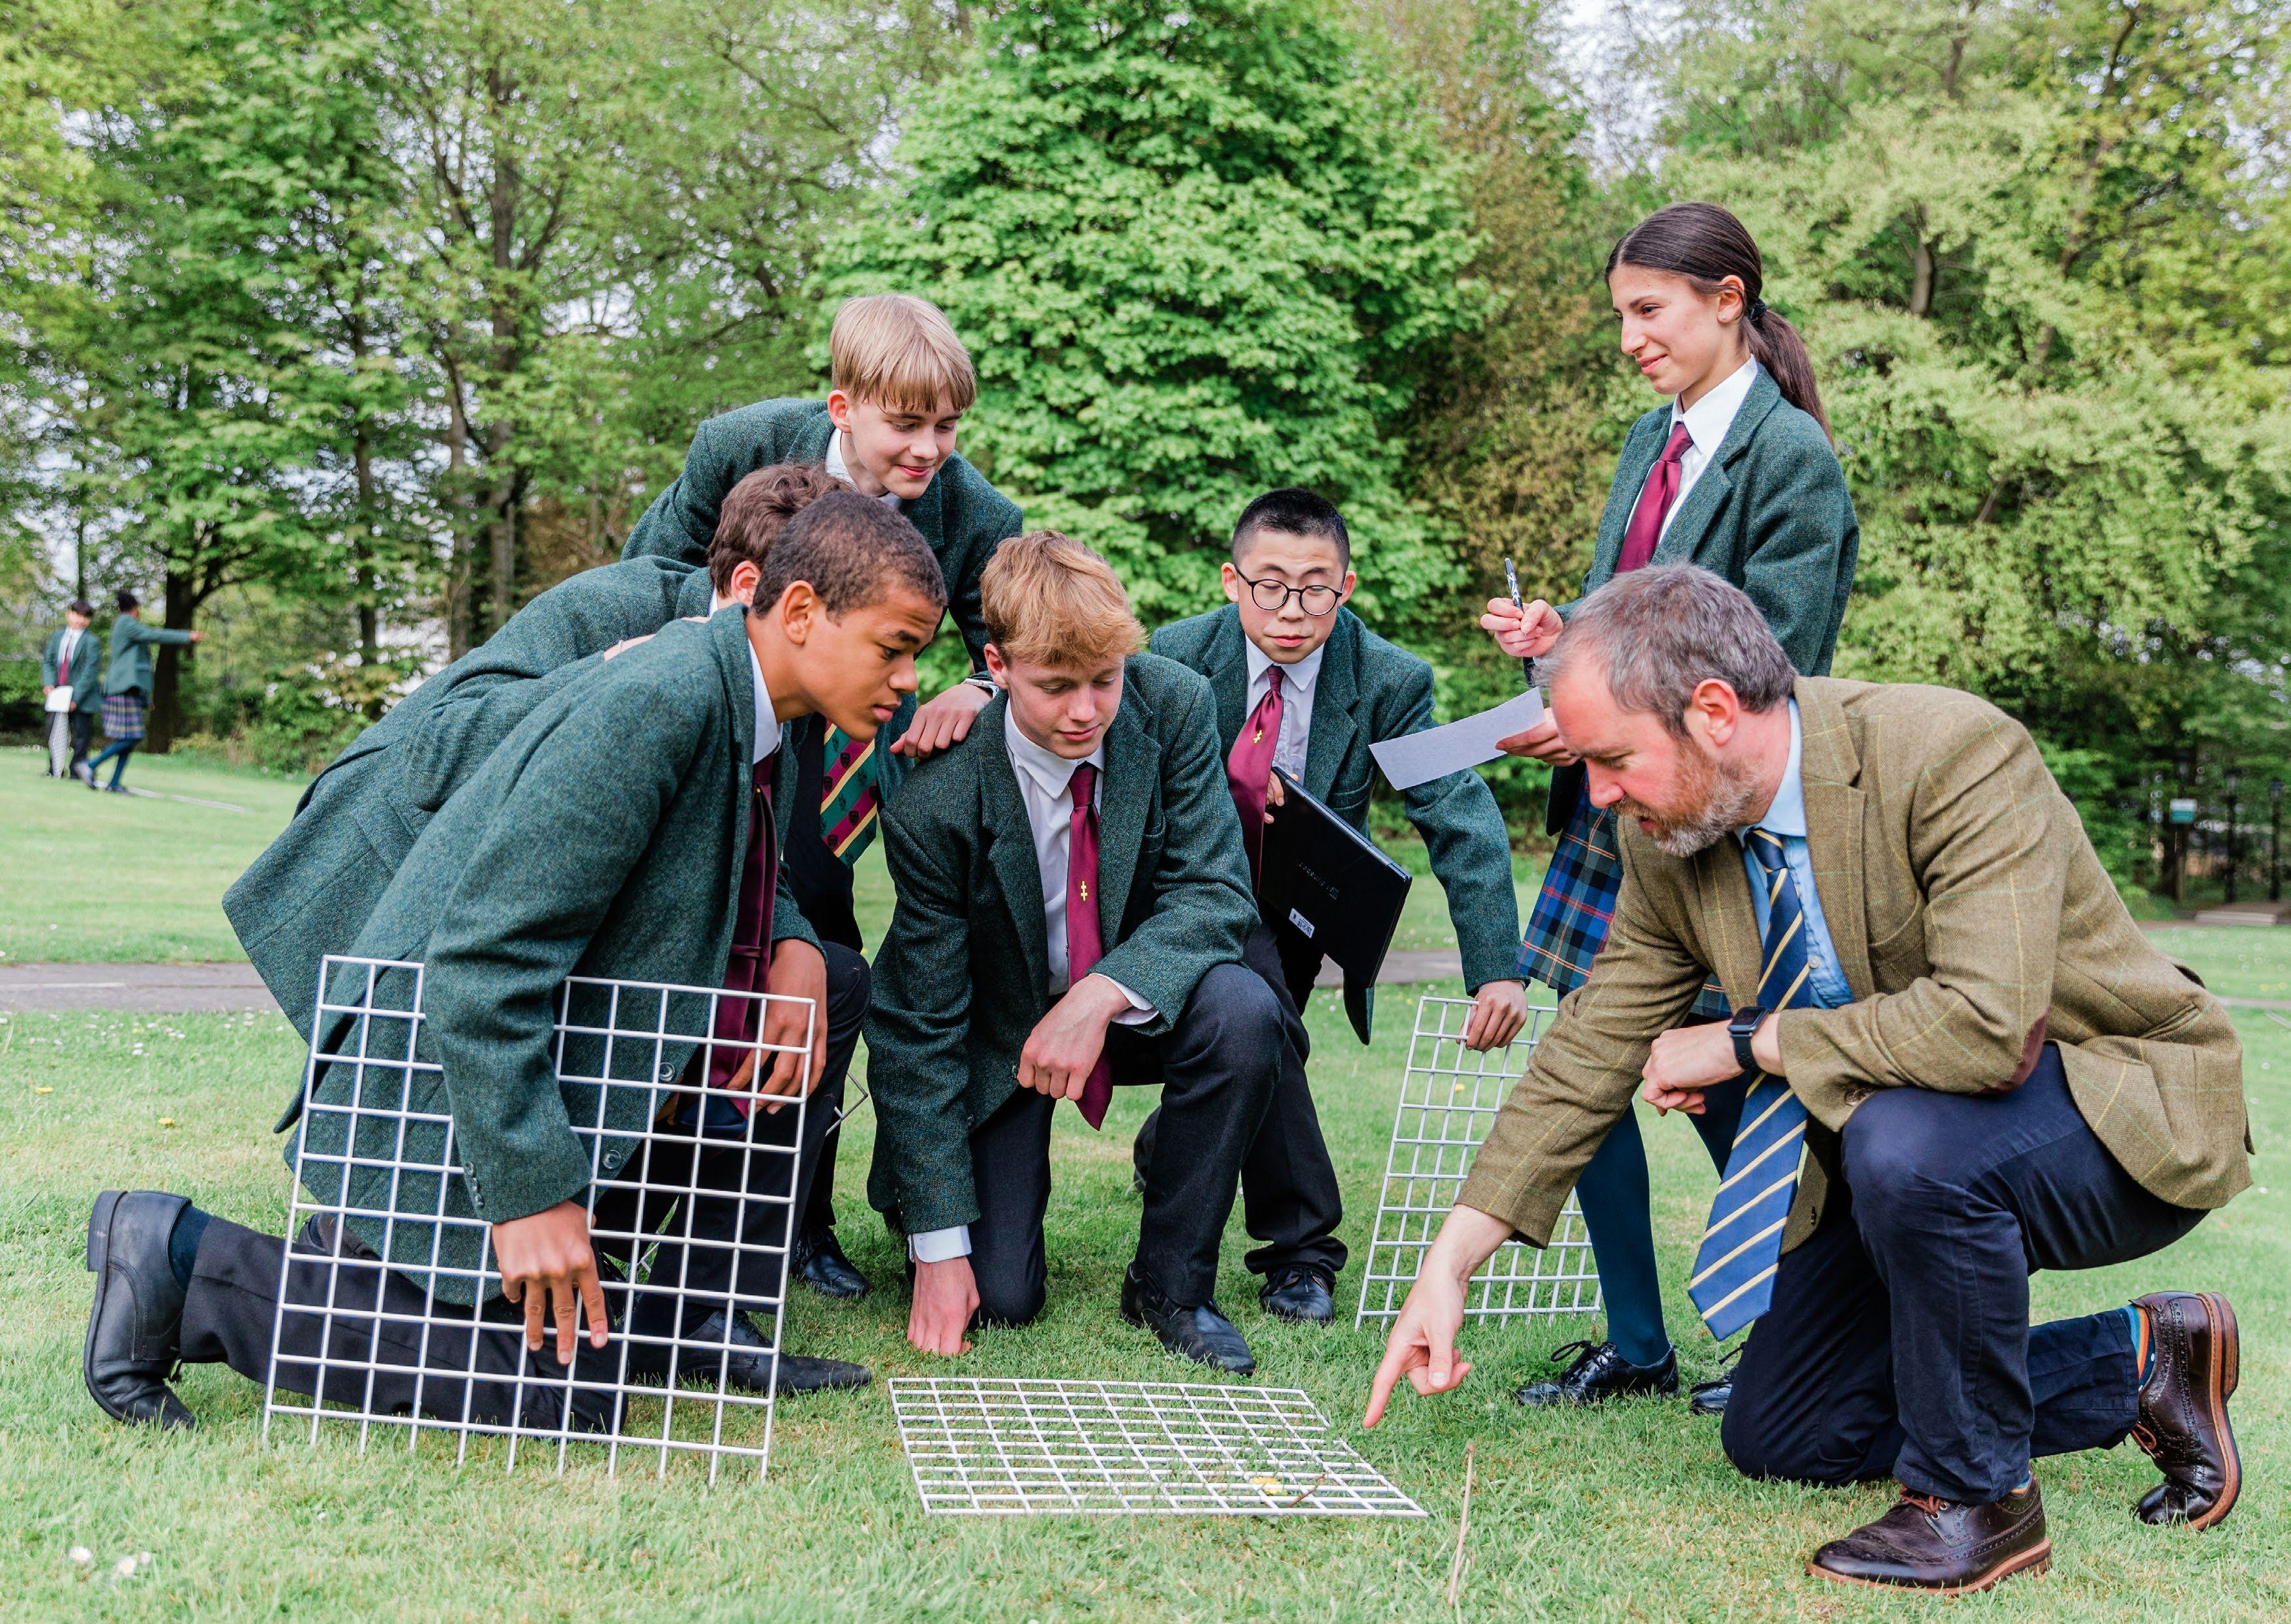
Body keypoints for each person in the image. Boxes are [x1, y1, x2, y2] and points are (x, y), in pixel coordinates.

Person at [1368, 567, 2247, 1595]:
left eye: (1612, 758)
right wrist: (1451, 1261)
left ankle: (1977, 1503)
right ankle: (2143, 1359)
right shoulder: (1665, 842)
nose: (1596, 792)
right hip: (1911, 1143)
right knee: (1788, 1431)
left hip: (2111, 1106)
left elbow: (1985, 1028)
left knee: (1900, 1141)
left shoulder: (1951, 752)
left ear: (1712, 712)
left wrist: (1746, 1041)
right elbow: (1589, 1048)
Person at [84, 493, 946, 1430]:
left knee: (580, 1376)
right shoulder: (660, 703)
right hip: (439, 1078)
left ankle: (348, 1265)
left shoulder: (744, 701)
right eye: (893, 647)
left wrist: (793, 940)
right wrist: (534, 1195)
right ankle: (178, 1260)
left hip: (507, 1074)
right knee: (560, 1393)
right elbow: (484, 962)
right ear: (802, 610)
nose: (907, 680)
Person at [1482, 202, 1859, 1415]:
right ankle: (1639, 1342)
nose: (1630, 338)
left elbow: (1776, 665)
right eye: (1621, 315)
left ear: (1726, 299)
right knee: (1585, 1064)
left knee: (1723, 1082)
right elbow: (1628, 625)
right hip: (1618, 810)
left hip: (1714, 817)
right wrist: (1561, 643)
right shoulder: (1651, 439)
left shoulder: (1789, 457)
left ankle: (1794, 1338)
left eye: (1648, 310)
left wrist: (1624, 717)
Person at [620, 293, 1026, 1301]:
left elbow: (1004, 638)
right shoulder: (739, 446)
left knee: (821, 952)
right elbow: (650, 567)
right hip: (726, 698)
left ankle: (800, 1223)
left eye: (948, 426)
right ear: (843, 406)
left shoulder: (977, 513)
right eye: (907, 424)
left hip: (848, 732)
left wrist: (974, 689)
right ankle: (635, 1186)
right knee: (704, 932)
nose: (929, 448)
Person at [224, 462, 839, 1040]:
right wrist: (608, 672)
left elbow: (743, 840)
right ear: (751, 588)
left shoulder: (788, 671)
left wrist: (794, 939)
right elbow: (436, 754)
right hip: (401, 876)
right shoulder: (611, 608)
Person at [865, 531, 1280, 1372]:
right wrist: (941, 1250)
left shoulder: (1175, 703)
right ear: (997, 666)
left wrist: (1098, 995)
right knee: (1002, 1300)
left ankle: (1171, 1285)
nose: (1087, 711)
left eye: (1105, 680)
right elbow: (919, 1026)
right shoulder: (934, 796)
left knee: (1244, 1009)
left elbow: (1215, 891)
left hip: (1128, 1002)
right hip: (999, 1033)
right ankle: (923, 1209)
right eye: (1056, 687)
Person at [1141, 489, 1526, 1323]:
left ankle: (1180, 1133)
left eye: (1315, 588)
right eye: (1269, 585)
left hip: (1298, 909)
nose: (1291, 609)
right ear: (1231, 582)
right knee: (1266, 1017)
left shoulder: (1388, 678)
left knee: (1257, 1024)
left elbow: (1458, 814)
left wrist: (1497, 968)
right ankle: (1301, 1252)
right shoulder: (1175, 655)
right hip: (1188, 890)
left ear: (1345, 588)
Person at [88, 589, 200, 792]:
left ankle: (114, 783)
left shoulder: (125, 625)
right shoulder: (126, 622)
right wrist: (187, 636)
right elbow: (154, 634)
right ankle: (90, 766)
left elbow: (138, 664)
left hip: (129, 689)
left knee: (129, 739)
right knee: (131, 737)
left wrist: (145, 696)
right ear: (135, 608)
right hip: (121, 688)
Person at [41, 599, 101, 783]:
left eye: (85, 617)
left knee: (81, 736)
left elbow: (90, 672)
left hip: (82, 695)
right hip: (58, 693)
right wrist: (49, 684)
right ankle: (55, 769)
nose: (80, 620)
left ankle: (77, 772)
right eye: (77, 615)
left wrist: (75, 698)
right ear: (69, 614)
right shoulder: (57, 637)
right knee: (54, 731)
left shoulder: (92, 641)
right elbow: (48, 662)